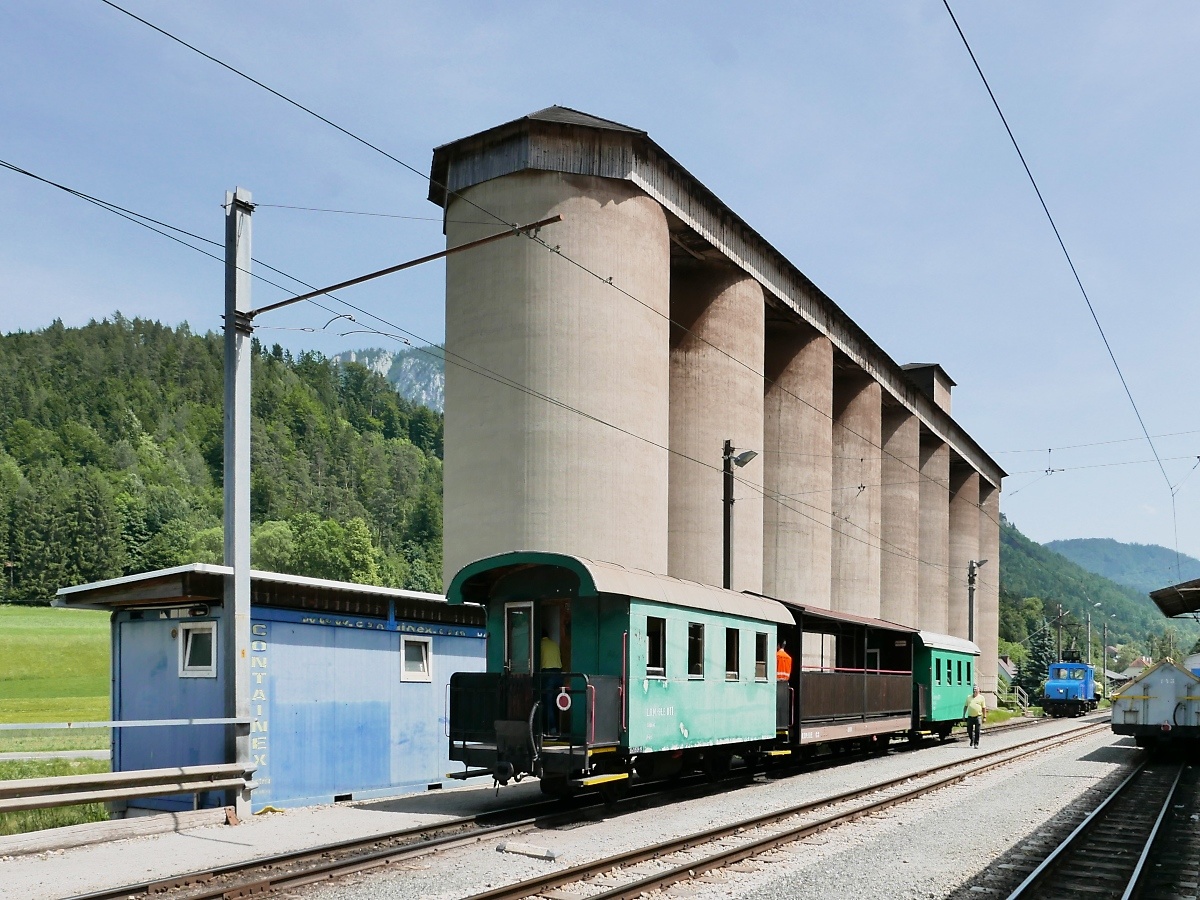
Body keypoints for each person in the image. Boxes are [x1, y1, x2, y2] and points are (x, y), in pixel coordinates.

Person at [540, 629, 563, 735]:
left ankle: (550, 729)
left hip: (547, 674)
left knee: (547, 703)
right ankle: (560, 729)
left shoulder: (539, 645)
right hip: (559, 674)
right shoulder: (554, 644)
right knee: (558, 703)